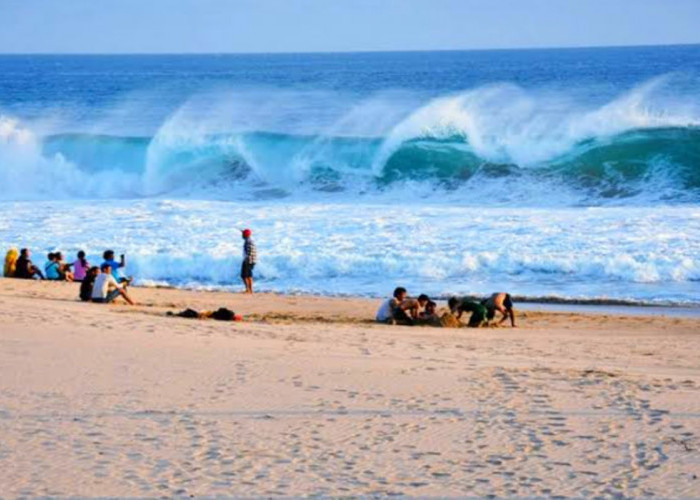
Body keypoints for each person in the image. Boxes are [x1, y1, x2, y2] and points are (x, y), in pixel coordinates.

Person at [240, 228, 257, 294]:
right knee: (247, 275)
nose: (242, 235)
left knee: (245, 276)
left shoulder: (248, 241)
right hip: (251, 260)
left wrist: (246, 260)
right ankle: (249, 290)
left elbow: (250, 252)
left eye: (242, 234)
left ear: (245, 235)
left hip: (248, 261)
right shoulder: (249, 240)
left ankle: (249, 290)